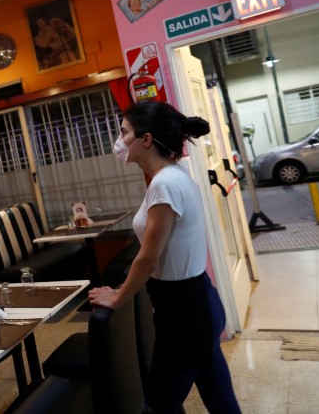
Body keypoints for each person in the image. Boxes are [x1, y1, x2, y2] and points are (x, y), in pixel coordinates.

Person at [88, 100, 240, 413]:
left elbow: (148, 259)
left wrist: (118, 297)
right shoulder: (171, 177)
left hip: (185, 314)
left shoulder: (165, 184)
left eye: (124, 132)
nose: (119, 141)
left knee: (156, 406)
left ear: (145, 140)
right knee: (221, 403)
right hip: (195, 304)